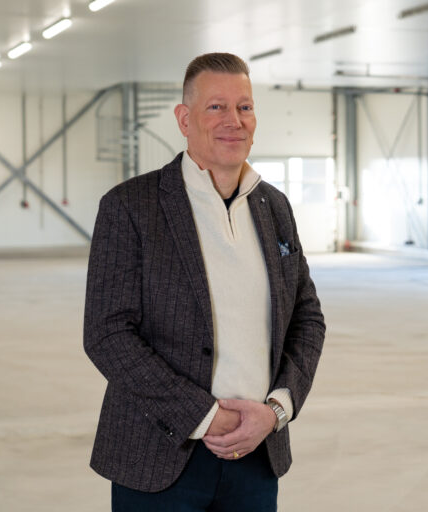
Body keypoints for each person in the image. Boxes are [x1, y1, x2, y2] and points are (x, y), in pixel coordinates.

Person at [83, 52, 325, 511]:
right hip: (158, 457)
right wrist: (202, 415)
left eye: (244, 107)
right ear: (184, 119)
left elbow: (307, 317)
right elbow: (107, 334)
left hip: (255, 454)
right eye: (216, 107)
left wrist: (276, 410)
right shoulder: (131, 207)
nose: (234, 120)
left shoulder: (274, 207)